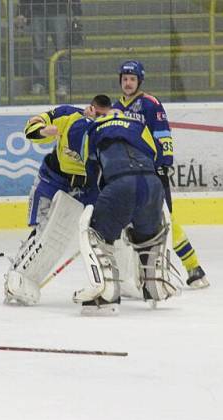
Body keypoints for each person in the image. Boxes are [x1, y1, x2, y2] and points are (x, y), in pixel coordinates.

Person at [69, 110, 182, 314]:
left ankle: (107, 294)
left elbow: (91, 173)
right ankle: (153, 285)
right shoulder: (139, 126)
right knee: (148, 236)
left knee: (97, 235)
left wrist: (96, 204)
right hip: (152, 185)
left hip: (120, 184)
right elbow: (159, 156)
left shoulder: (90, 130)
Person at [2, 95, 112, 305]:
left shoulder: (109, 130)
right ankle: (18, 275)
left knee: (106, 230)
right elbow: (31, 127)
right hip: (54, 180)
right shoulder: (68, 115)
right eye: (96, 114)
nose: (98, 119)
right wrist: (44, 131)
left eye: (102, 116)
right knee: (42, 229)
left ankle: (112, 280)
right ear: (89, 109)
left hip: (88, 187)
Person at [112, 60, 210, 289]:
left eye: (132, 79)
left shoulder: (150, 104)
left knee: (166, 219)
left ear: (139, 81)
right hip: (128, 174)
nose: (128, 83)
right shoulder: (116, 107)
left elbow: (163, 134)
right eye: (125, 79)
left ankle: (193, 266)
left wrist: (163, 163)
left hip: (152, 172)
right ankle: (138, 275)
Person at [16, 0, 82, 97]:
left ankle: (60, 84)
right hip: (42, 10)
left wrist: (76, 11)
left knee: (58, 50)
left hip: (53, 10)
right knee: (44, 49)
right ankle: (48, 83)